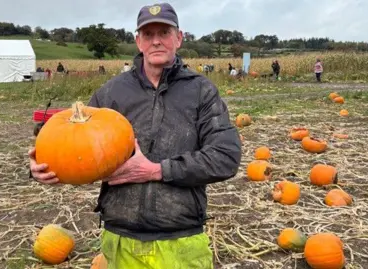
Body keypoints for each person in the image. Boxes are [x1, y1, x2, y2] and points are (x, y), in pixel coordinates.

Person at [28, 2, 242, 268]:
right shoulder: (111, 93)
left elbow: (225, 157)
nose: (156, 41)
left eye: (164, 33)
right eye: (148, 34)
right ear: (138, 41)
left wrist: (156, 170)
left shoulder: (201, 91)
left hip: (181, 239)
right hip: (120, 238)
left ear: (179, 38)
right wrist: (48, 167)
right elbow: (78, 148)